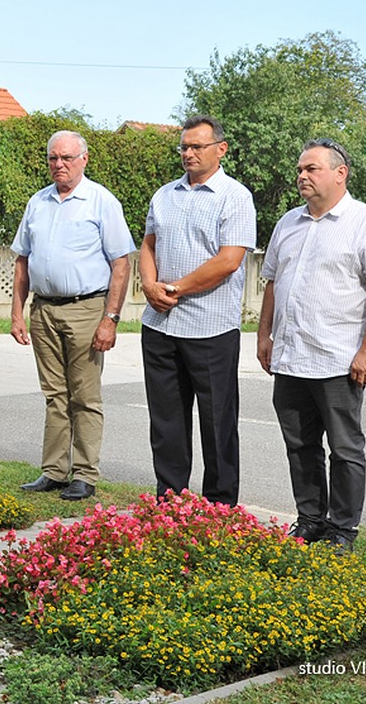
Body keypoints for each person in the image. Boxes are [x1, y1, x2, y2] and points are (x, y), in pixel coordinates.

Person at [256, 139, 366, 551]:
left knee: (344, 448)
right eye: (300, 169)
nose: (302, 176)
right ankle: (310, 520)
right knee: (300, 446)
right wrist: (265, 335)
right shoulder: (288, 223)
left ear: (341, 174)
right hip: (290, 356)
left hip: (338, 358)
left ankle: (342, 529)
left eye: (312, 169)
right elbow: (272, 283)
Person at [11, 131, 136, 501]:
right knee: (54, 394)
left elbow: (121, 263)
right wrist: (17, 312)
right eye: (53, 158)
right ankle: (53, 470)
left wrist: (110, 318)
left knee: (84, 395)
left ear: (84, 159)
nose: (59, 164)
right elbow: (22, 260)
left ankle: (84, 473)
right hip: (44, 309)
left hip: (86, 309)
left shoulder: (100, 201)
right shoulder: (38, 202)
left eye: (66, 157)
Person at [139, 115, 255, 507]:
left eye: (197, 147)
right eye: (184, 147)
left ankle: (219, 508)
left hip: (210, 328)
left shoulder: (235, 197)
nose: (188, 154)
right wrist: (149, 286)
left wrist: (173, 288)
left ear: (220, 149)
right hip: (160, 324)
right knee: (167, 421)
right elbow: (148, 246)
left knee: (217, 422)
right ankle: (169, 502)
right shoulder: (164, 195)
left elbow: (228, 260)